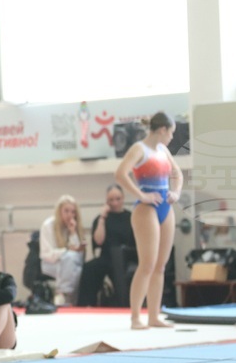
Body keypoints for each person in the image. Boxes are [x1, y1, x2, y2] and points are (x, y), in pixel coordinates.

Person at [115, 112, 183, 329]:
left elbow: (177, 174)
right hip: (146, 208)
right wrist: (141, 195)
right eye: (171, 133)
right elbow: (120, 174)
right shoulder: (139, 149)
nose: (172, 137)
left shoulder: (163, 150)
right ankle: (135, 317)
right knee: (147, 264)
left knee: (160, 266)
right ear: (162, 130)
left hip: (165, 206)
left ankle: (154, 316)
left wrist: (176, 192)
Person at [77, 184, 135, 307]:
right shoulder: (100, 219)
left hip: (125, 258)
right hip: (106, 257)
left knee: (121, 270)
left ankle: (125, 305)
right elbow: (98, 241)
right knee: (89, 268)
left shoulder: (131, 217)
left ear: (123, 198)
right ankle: (87, 305)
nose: (115, 203)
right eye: (111, 200)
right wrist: (102, 218)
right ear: (106, 201)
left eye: (118, 199)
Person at [39, 195, 85, 306]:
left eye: (73, 212)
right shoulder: (48, 225)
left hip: (69, 264)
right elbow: (45, 254)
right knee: (71, 262)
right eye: (66, 211)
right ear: (59, 211)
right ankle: (66, 296)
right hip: (50, 264)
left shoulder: (74, 226)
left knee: (75, 266)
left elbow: (78, 255)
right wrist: (65, 251)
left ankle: (62, 295)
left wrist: (73, 232)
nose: (70, 215)